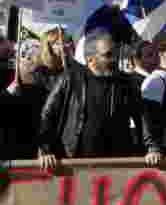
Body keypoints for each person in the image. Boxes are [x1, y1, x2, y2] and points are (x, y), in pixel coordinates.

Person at [38, 31, 155, 172]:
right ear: (90, 59)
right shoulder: (70, 79)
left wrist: (152, 148)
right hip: (74, 163)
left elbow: (141, 116)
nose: (114, 59)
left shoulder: (126, 83)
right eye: (108, 55)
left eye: (115, 53)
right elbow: (48, 115)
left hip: (116, 162)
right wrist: (45, 149)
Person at [5, 40, 49, 160]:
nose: (34, 66)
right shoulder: (6, 79)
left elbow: (47, 121)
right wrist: (8, 94)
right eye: (30, 59)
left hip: (34, 150)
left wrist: (44, 148)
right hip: (9, 150)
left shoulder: (45, 85)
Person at [35, 27, 75, 92]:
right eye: (58, 43)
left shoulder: (74, 67)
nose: (65, 46)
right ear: (49, 47)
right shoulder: (41, 73)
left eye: (67, 42)